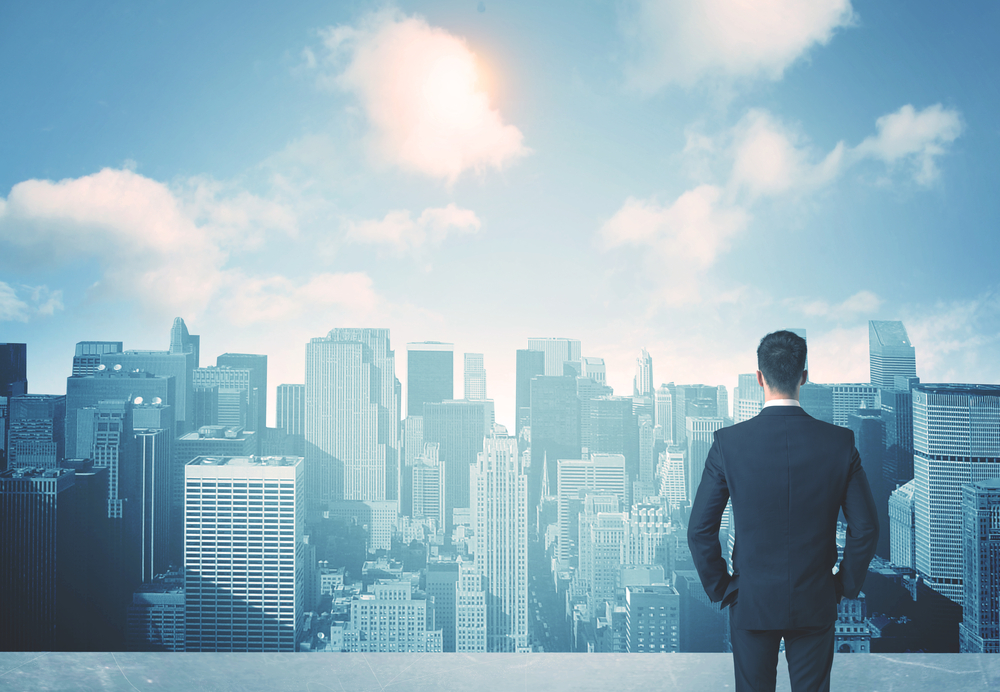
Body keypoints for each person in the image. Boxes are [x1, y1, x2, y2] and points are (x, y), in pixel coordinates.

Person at [687, 330, 878, 692]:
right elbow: (865, 528)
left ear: (759, 377)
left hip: (751, 601)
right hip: (815, 599)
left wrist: (722, 588)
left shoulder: (728, 444)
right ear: (804, 376)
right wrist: (842, 586)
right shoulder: (840, 443)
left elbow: (699, 530)